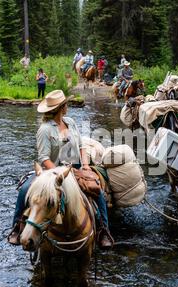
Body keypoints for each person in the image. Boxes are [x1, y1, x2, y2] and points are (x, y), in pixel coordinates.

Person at [7, 90, 114, 249]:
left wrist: (85, 165)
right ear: (60, 108)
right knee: (25, 189)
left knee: (96, 189)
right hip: (53, 171)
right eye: (65, 104)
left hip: (77, 167)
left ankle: (103, 230)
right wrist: (58, 174)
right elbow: (44, 158)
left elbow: (81, 146)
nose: (67, 106)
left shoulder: (70, 122)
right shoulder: (45, 130)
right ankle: (17, 227)